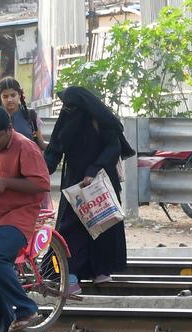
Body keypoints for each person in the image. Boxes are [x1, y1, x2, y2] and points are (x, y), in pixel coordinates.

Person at [0, 104, 51, 332]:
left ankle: (26, 307)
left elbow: (42, 183)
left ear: (9, 129)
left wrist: (6, 183)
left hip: (17, 216)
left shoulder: (25, 146)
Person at [43, 86, 134, 291]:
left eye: (71, 107)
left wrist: (93, 169)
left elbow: (113, 147)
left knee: (104, 225)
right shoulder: (67, 118)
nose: (68, 111)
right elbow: (55, 148)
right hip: (74, 183)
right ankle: (69, 274)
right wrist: (41, 173)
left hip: (101, 180)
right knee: (70, 229)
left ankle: (101, 271)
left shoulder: (102, 121)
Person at [0, 77, 46, 150]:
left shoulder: (31, 115)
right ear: (0, 98)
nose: (9, 100)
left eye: (13, 95)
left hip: (28, 156)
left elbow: (41, 144)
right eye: (5, 97)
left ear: (19, 95)